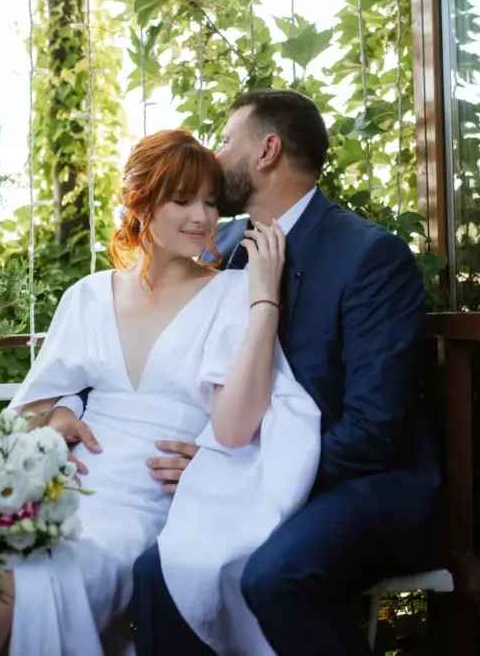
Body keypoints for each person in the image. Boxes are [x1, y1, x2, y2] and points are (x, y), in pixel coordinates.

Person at [0, 128, 322, 656]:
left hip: (141, 504)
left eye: (209, 202)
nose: (203, 217)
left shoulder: (230, 294)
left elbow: (233, 426)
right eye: (182, 200)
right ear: (141, 203)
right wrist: (54, 419)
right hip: (64, 489)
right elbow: (26, 414)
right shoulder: (88, 296)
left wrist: (264, 299)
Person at [124, 89, 443, 656]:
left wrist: (248, 475)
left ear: (267, 150)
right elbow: (144, 330)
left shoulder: (370, 256)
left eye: (226, 140)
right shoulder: (219, 246)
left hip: (361, 484)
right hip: (245, 474)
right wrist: (64, 405)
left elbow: (374, 431)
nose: (215, 156)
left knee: (274, 577)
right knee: (159, 572)